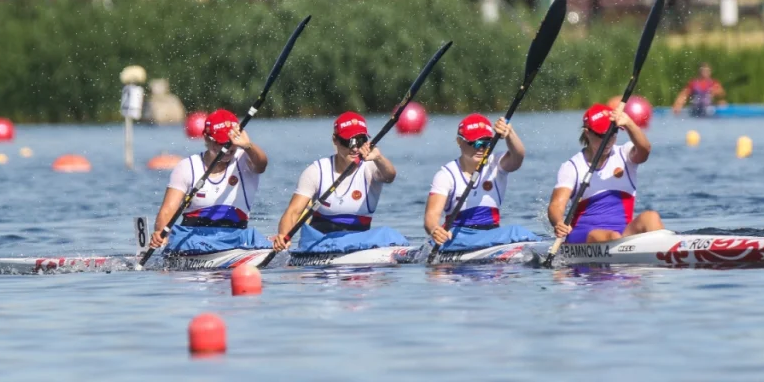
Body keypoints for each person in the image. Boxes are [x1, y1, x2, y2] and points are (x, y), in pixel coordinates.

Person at [272, 112, 408, 254]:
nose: (355, 148)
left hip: (359, 241)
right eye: (348, 142)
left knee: (388, 234)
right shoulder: (316, 171)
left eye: (360, 141)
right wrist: (283, 235)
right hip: (321, 243)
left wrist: (379, 158)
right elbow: (293, 212)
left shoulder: (371, 166)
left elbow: (389, 176)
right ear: (335, 140)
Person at [149, 109, 272, 254]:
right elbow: (168, 209)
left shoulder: (245, 160)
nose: (227, 149)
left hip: (236, 237)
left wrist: (248, 145)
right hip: (193, 239)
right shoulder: (187, 166)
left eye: (231, 143)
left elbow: (262, 164)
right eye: (221, 143)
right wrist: (160, 233)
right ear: (206, 139)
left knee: (261, 243)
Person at [548, 103, 664, 245]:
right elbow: (556, 206)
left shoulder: (625, 154)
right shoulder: (572, 167)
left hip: (622, 234)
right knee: (612, 237)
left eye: (613, 133)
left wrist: (629, 123)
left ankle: (666, 254)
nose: (608, 140)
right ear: (587, 132)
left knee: (651, 217)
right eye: (601, 135)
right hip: (583, 235)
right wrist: (558, 222)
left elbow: (645, 150)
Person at [424, 114, 538, 252]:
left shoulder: (496, 164)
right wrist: (435, 230)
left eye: (486, 143)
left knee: (518, 231)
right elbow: (431, 217)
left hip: (492, 235)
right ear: (459, 141)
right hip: (457, 238)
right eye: (476, 143)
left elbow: (518, 156)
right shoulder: (446, 175)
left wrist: (509, 134)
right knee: (515, 232)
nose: (481, 149)